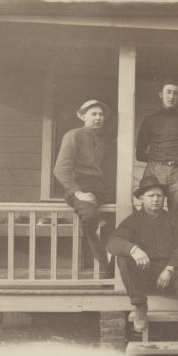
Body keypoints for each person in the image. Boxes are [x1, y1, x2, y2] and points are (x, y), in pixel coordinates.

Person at [107, 176, 178, 348]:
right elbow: (112, 243)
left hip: (169, 273)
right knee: (123, 259)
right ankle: (140, 307)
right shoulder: (133, 221)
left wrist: (170, 269)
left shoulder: (175, 220)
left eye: (159, 196)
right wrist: (133, 249)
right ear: (142, 198)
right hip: (145, 274)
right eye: (151, 196)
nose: (156, 199)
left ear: (164, 198)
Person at [54, 99, 115, 276]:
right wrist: (78, 192)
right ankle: (103, 261)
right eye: (93, 114)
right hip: (81, 187)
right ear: (83, 116)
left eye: (101, 114)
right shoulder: (73, 135)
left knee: (125, 218)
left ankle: (114, 263)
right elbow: (60, 169)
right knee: (89, 216)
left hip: (102, 189)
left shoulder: (105, 141)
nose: (98, 118)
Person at [136, 79, 178, 224]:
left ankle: (177, 247)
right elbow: (140, 153)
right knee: (151, 211)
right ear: (160, 95)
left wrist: (175, 160)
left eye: (175, 93)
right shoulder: (150, 120)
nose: (171, 96)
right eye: (168, 92)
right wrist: (158, 161)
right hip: (156, 169)